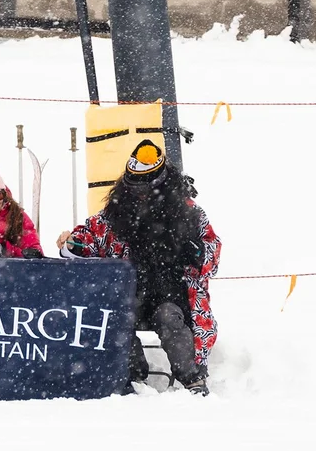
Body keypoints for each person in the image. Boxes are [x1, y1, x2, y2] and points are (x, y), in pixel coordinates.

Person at [57, 139, 220, 396]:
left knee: (168, 317)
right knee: (115, 317)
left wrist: (197, 252)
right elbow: (85, 238)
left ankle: (192, 378)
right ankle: (130, 375)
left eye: (147, 187)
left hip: (173, 295)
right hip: (129, 295)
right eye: (135, 186)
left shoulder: (190, 214)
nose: (141, 193)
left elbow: (213, 254)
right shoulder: (114, 216)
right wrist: (72, 245)